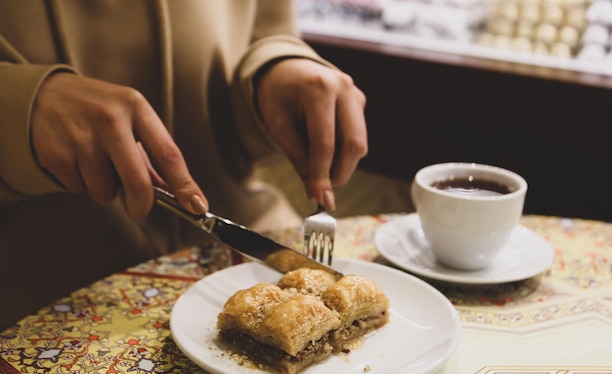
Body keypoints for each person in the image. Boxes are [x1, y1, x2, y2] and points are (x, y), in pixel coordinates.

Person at [0, 1, 368, 329]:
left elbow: (267, 33)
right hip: (52, 301)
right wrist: (18, 108)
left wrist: (276, 68)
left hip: (244, 256)